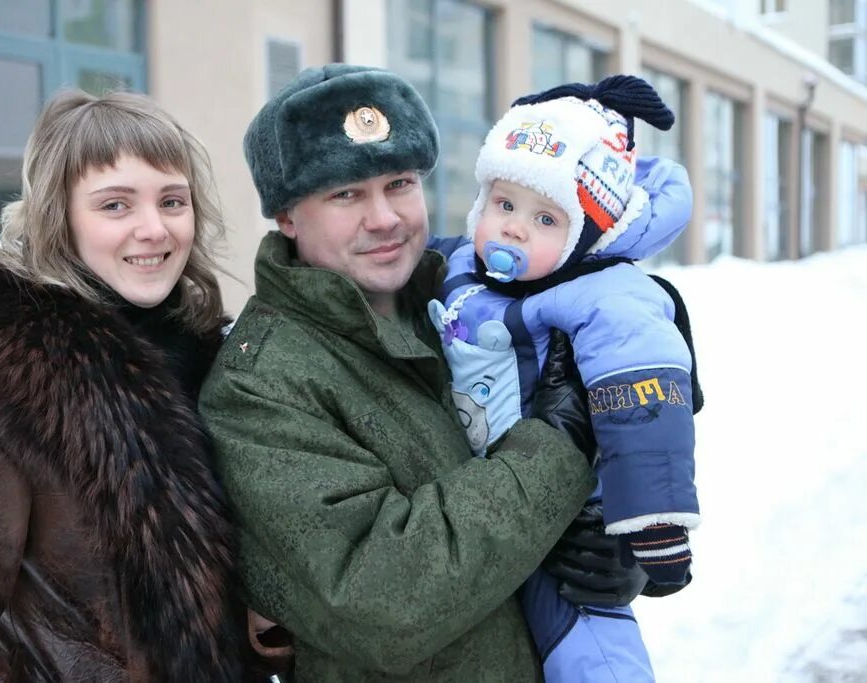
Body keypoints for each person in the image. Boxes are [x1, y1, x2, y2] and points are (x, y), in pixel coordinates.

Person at [198, 64, 673, 682]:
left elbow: (635, 393)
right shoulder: (260, 385)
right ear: (287, 216)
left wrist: (621, 542)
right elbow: (381, 599)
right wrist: (559, 447)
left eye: (398, 183)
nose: (385, 218)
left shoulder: (475, 298)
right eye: (345, 194)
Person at [0, 89, 246, 681]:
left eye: (172, 200)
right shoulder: (6, 380)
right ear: (59, 216)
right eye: (115, 205)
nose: (154, 228)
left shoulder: (207, 358)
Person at [430, 75, 701, 681]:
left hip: (577, 517)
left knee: (587, 647)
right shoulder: (456, 264)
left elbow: (645, 405)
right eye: (503, 204)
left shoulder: (608, 296)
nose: (514, 229)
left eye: (546, 218)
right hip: (487, 501)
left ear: (587, 236)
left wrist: (652, 528)